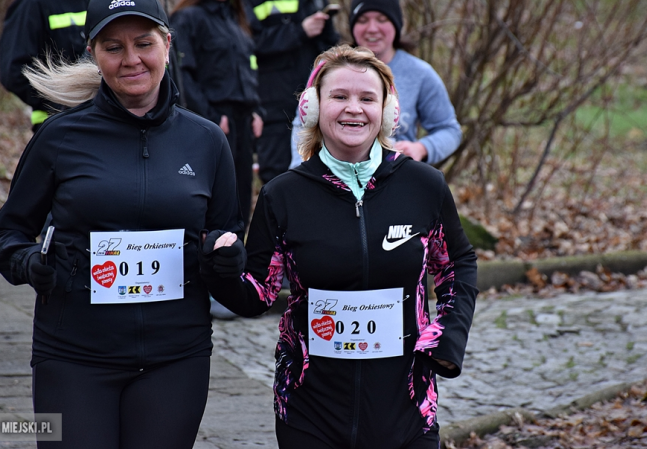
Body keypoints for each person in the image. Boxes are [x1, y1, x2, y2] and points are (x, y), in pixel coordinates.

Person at [0, 0, 244, 449]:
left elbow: (228, 231)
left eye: (144, 43)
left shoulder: (206, 141)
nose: (131, 60)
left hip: (176, 356)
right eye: (113, 47)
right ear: (93, 53)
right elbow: (7, 233)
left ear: (167, 43)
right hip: (73, 356)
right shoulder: (60, 138)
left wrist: (226, 257)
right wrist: (29, 263)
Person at [199, 45, 479, 448]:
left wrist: (447, 338)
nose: (354, 109)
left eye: (367, 98)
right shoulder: (283, 196)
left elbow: (457, 266)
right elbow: (256, 295)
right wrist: (220, 269)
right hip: (310, 410)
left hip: (406, 409)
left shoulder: (424, 186)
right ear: (312, 109)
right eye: (339, 96)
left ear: (387, 111)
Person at [290, 0, 462, 167]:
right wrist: (301, 167)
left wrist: (422, 148)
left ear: (396, 26)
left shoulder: (421, 74)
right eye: (363, 20)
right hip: (332, 177)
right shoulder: (330, 69)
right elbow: (303, 124)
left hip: (394, 178)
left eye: (382, 19)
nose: (372, 28)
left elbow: (449, 130)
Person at [170, 0, 261, 227]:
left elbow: (249, 70)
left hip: (243, 122)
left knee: (242, 196)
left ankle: (239, 260)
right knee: (215, 199)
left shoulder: (238, 21)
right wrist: (209, 116)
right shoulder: (188, 19)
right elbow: (183, 76)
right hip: (212, 121)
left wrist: (257, 110)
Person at [241, 0, 340, 184]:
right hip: (271, 101)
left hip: (313, 99)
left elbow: (327, 49)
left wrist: (327, 31)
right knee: (276, 174)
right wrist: (299, 31)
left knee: (317, 172)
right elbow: (247, 43)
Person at [0, 0, 97, 132]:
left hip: (101, 124)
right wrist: (64, 101)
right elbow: (13, 74)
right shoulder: (32, 2)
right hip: (55, 130)